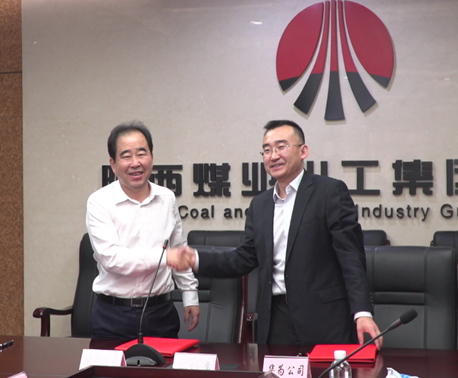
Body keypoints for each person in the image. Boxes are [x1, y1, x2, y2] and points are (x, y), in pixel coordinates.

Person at [168, 119, 382, 347]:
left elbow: (351, 256)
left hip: (324, 320)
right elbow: (243, 258)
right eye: (267, 150)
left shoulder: (329, 192)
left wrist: (362, 313)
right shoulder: (260, 205)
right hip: (275, 320)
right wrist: (195, 259)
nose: (273, 156)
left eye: (281, 147)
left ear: (303, 151)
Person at [86, 120, 199, 343]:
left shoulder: (167, 198)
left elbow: (179, 248)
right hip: (113, 316)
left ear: (152, 157)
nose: (135, 163)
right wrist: (165, 257)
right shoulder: (99, 202)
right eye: (126, 156)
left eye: (141, 153)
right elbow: (113, 259)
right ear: (113, 164)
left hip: (161, 314)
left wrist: (190, 295)